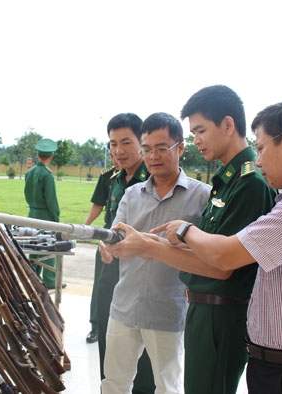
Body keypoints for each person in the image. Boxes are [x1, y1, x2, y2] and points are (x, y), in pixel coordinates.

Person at [106, 99, 282, 394]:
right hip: (279, 359)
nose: (259, 160)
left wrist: (181, 231)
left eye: (261, 148)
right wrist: (152, 242)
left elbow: (223, 257)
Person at [103, 85, 276, 394]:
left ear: (226, 125)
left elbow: (222, 264)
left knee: (173, 385)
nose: (197, 140)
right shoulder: (227, 181)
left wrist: (154, 245)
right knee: (118, 380)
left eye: (200, 130)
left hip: (211, 312)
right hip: (179, 308)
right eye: (147, 149)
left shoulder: (243, 184)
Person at [100, 112, 211, 394]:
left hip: (167, 310)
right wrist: (109, 245)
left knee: (167, 385)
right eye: (147, 150)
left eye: (162, 148)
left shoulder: (202, 196)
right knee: (114, 381)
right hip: (124, 306)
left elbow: (208, 250)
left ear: (180, 148)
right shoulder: (132, 194)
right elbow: (118, 237)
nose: (153, 156)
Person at [95, 112, 155, 394]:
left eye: (126, 142)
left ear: (142, 141)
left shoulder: (155, 178)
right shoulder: (112, 179)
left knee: (142, 351)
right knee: (108, 340)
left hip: (143, 273)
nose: (118, 151)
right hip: (109, 268)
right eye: (112, 143)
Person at [83, 148, 120, 344]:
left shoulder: (144, 175)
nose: (116, 160)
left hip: (131, 236)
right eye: (112, 156)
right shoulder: (108, 177)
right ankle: (97, 326)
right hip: (108, 233)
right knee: (102, 282)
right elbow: (98, 203)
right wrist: (85, 226)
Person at [23, 138, 64, 289]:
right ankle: (50, 280)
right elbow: (51, 200)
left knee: (34, 248)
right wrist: (56, 216)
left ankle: (34, 279)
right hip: (45, 215)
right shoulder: (47, 175)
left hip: (32, 212)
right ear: (51, 157)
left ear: (38, 154)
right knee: (48, 248)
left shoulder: (30, 172)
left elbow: (26, 193)